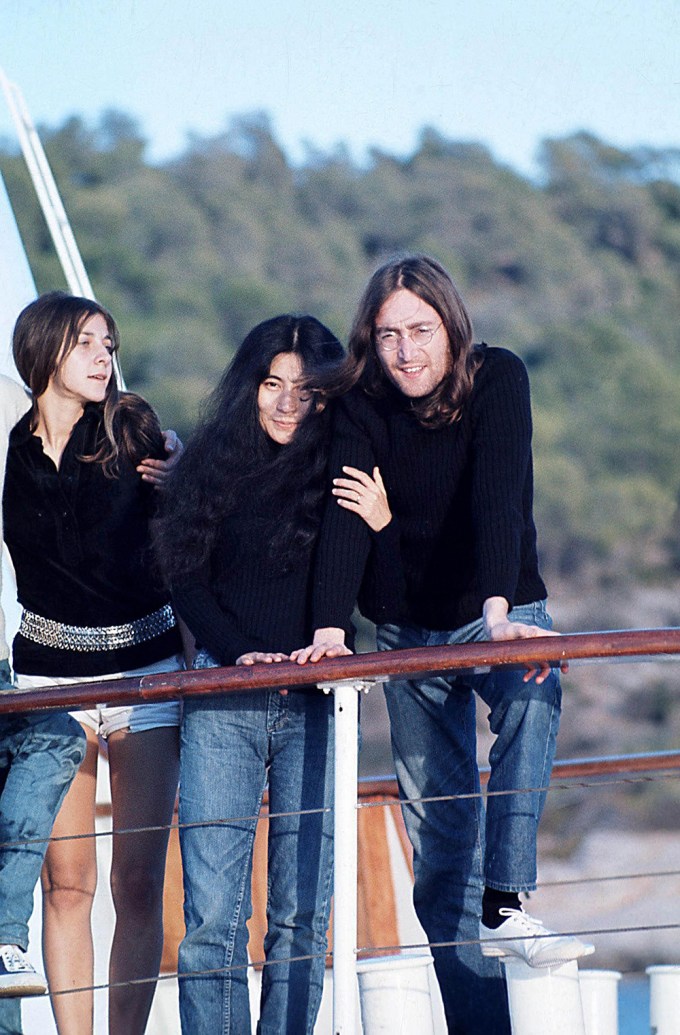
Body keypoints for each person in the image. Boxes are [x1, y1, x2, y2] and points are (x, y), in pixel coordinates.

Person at [293, 255, 593, 1034]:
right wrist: (331, 629)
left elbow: (501, 495)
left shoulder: (498, 379)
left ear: (452, 328)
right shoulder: (361, 404)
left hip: (496, 608)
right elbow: (348, 521)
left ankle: (509, 895)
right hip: (406, 632)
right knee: (440, 861)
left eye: (420, 330)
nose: (406, 351)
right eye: (388, 334)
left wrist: (497, 613)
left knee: (533, 681)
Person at [157, 315, 396, 1035]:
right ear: (248, 387)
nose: (287, 401)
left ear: (330, 396)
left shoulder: (345, 467)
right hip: (222, 700)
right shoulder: (209, 462)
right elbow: (184, 577)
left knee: (300, 913)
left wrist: (382, 525)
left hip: (317, 702)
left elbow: (381, 596)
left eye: (305, 388)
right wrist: (235, 653)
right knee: (212, 918)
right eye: (271, 383)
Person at [3, 293, 184, 1035]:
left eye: (108, 342)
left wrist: (185, 475)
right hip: (49, 683)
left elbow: (182, 512)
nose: (103, 356)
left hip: (145, 674)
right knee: (66, 884)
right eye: (85, 343)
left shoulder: (132, 424)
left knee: (137, 880)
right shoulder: (15, 447)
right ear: (44, 353)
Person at [0, 373, 86, 1035]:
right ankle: (4, 932)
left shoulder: (17, 415)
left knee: (57, 734)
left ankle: (4, 933)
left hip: (17, 668)